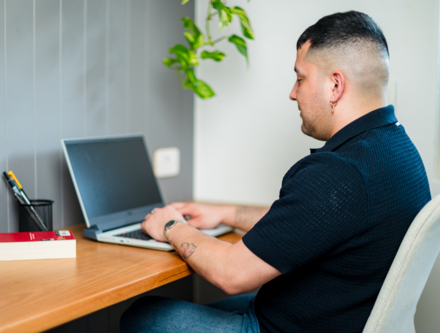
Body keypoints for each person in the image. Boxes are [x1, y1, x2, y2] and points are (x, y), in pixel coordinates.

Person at [121, 11, 431, 333]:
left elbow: (232, 274)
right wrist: (226, 213)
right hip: (324, 317)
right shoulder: (396, 150)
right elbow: (312, 221)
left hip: (281, 327)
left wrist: (170, 224)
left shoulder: (339, 173)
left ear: (335, 85)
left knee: (144, 316)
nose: (293, 93)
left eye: (300, 78)